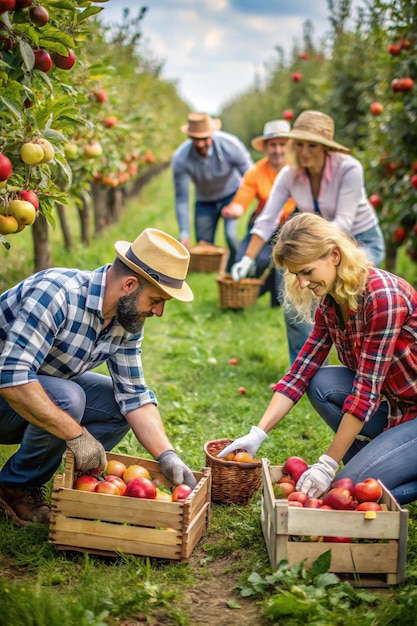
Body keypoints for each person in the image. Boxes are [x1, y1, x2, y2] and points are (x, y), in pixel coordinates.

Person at [0, 228, 197, 526]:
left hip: (32, 391)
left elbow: (134, 396)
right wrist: (76, 434)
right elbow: (11, 378)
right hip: (8, 392)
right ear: (129, 285)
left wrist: (167, 455)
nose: (159, 312)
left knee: (116, 407)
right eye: (157, 300)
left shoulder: (126, 319)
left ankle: (64, 480)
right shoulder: (56, 295)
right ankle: (14, 486)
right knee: (69, 398)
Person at [220, 213, 417, 505]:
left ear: (335, 255)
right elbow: (300, 373)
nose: (301, 283)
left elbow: (364, 393)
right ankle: (380, 455)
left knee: (349, 490)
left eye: (307, 272)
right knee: (320, 382)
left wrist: (327, 463)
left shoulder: (382, 298)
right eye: (295, 274)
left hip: (408, 406)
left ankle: (382, 462)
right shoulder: (331, 302)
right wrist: (258, 432)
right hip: (393, 405)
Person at [231, 110, 386, 363]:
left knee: (354, 299)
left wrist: (311, 253)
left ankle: (364, 368)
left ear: (325, 147)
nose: (303, 151)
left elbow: (343, 223)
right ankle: (304, 372)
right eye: (299, 144)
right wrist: (247, 258)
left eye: (311, 145)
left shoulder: (348, 169)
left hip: (359, 239)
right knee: (293, 294)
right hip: (318, 243)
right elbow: (268, 219)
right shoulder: (290, 174)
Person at [221, 119, 296, 307]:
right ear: (265, 148)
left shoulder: (298, 171)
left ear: (289, 146)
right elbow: (243, 197)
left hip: (291, 226)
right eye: (273, 145)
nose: (277, 150)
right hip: (264, 223)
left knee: (284, 263)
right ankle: (248, 294)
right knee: (249, 259)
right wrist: (235, 209)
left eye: (282, 144)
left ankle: (276, 299)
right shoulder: (256, 172)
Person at [172, 111, 253, 270]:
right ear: (189, 137)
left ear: (212, 134)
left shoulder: (230, 145)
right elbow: (182, 198)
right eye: (195, 139)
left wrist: (241, 204)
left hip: (231, 194)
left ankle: (233, 270)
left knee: (231, 236)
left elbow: (251, 176)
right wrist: (184, 233)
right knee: (203, 244)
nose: (200, 144)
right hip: (205, 201)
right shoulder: (181, 158)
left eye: (204, 139)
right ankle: (211, 275)